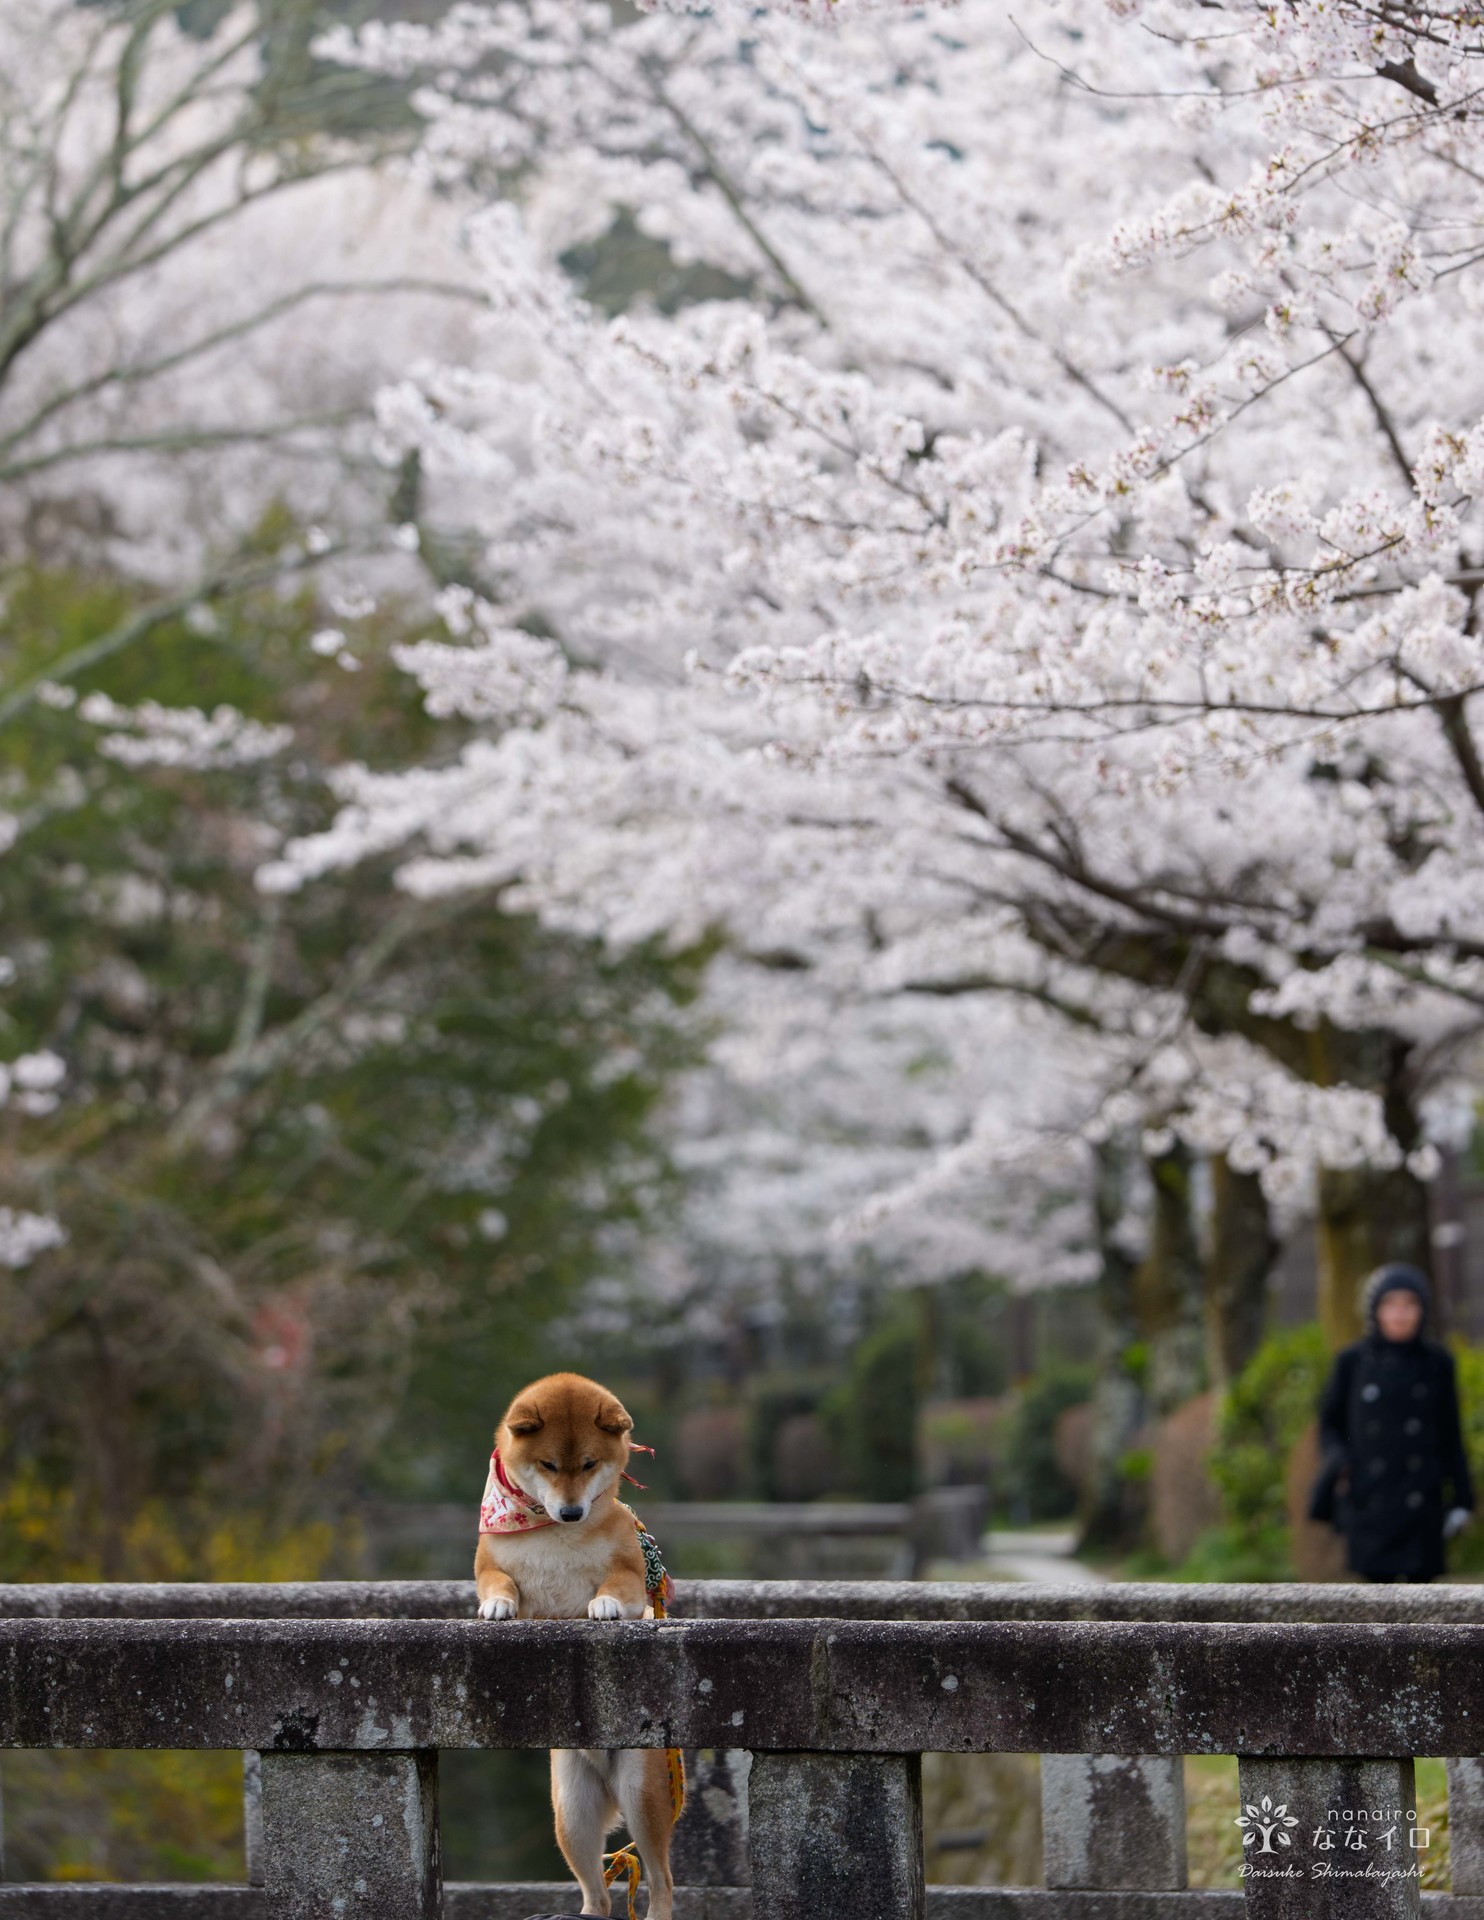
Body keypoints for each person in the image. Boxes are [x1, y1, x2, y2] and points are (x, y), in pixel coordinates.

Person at [1310, 1264, 1474, 1583]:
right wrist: (1341, 1464)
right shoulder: (1352, 1362)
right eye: (1390, 1304)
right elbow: (1329, 1424)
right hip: (1370, 1502)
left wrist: (1462, 1499)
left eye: (1409, 1304)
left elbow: (1451, 1435)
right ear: (1375, 1310)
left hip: (1422, 1503)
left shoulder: (1438, 1363)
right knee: (1374, 1609)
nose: (1400, 1314)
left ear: (1422, 1310)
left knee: (1425, 1610)